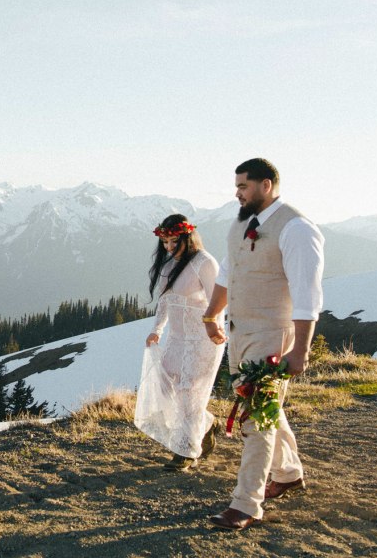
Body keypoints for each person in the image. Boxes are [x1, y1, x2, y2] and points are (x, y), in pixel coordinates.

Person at [202, 157, 325, 531]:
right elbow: (228, 272)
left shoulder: (297, 229)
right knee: (266, 408)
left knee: (256, 416)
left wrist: (300, 350)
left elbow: (307, 295)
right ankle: (287, 473)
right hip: (240, 333)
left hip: (273, 335)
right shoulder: (243, 225)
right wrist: (211, 315)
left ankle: (247, 503)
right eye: (237, 186)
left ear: (266, 185)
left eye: (243, 186)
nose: (237, 193)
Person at [134, 214, 226, 470]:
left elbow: (218, 298)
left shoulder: (205, 263)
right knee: (166, 388)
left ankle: (186, 451)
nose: (169, 247)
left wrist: (215, 326)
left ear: (187, 237)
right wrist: (157, 330)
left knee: (188, 393)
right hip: (176, 338)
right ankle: (206, 423)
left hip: (201, 339)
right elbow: (165, 300)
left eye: (174, 241)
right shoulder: (168, 266)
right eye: (165, 242)